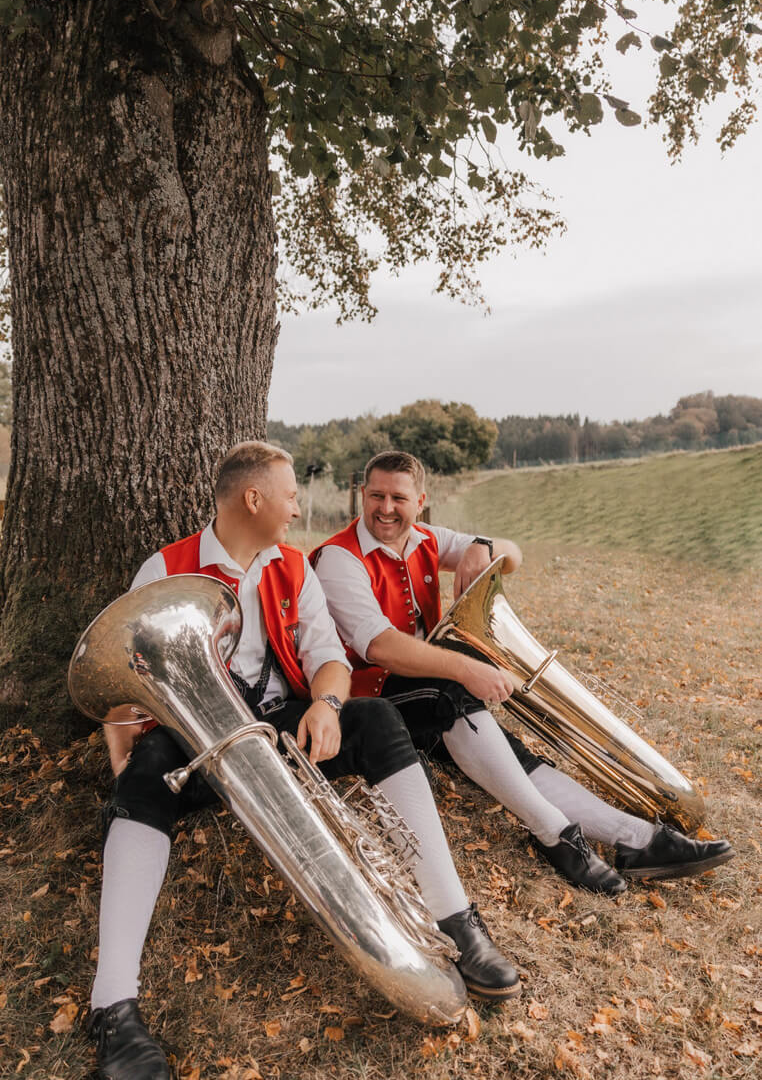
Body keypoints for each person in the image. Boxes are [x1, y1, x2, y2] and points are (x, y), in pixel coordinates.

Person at [88, 443, 522, 1080]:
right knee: (145, 775)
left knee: (376, 720)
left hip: (280, 727)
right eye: (290, 495)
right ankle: (113, 1007)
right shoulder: (166, 567)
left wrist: (324, 703)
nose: (298, 507)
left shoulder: (293, 565)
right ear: (253, 498)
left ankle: (457, 919)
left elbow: (329, 656)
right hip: (196, 738)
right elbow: (128, 679)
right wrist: (121, 756)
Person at [311, 450, 734, 899]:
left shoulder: (425, 537)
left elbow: (512, 553)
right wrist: (470, 669)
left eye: (399, 497)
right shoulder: (339, 558)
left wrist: (483, 547)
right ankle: (554, 833)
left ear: (420, 500)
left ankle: (638, 840)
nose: (386, 508)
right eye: (376, 495)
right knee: (455, 693)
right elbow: (381, 648)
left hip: (432, 691)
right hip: (373, 699)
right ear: (362, 494)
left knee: (515, 759)